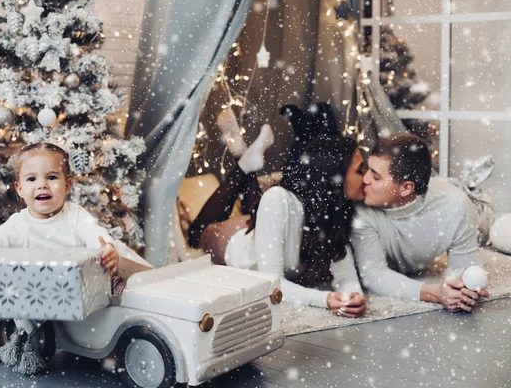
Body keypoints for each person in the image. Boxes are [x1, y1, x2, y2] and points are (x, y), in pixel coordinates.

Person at [188, 114, 367, 318]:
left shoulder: (335, 211)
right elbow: (272, 284)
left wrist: (353, 296)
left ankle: (243, 156)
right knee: (198, 233)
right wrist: (325, 299)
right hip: (233, 243)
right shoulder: (278, 200)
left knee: (256, 206)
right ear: (336, 175)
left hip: (259, 225)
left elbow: (345, 274)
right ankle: (242, 164)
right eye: (360, 170)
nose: (367, 176)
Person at [0, 142, 148, 293]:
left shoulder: (75, 216)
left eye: (52, 177)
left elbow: (94, 232)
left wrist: (107, 248)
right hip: (43, 290)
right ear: (19, 188)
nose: (42, 185)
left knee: (123, 290)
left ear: (67, 186)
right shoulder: (19, 225)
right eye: (31, 179)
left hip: (83, 287)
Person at [351, 133, 490, 312]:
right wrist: (434, 293)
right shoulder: (362, 206)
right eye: (367, 169)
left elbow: (466, 269)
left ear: (406, 188)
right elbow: (373, 275)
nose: (365, 179)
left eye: (376, 177)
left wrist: (462, 291)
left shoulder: (456, 206)